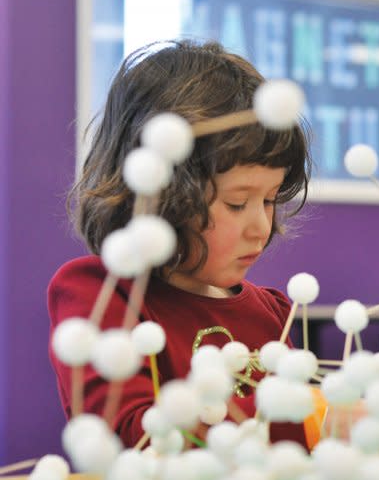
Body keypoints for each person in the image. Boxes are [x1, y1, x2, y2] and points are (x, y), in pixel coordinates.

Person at [48, 40, 319, 449]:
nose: (261, 227)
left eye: (269, 200)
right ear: (163, 195)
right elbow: (130, 438)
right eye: (236, 202)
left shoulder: (273, 312)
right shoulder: (98, 294)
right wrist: (316, 418)